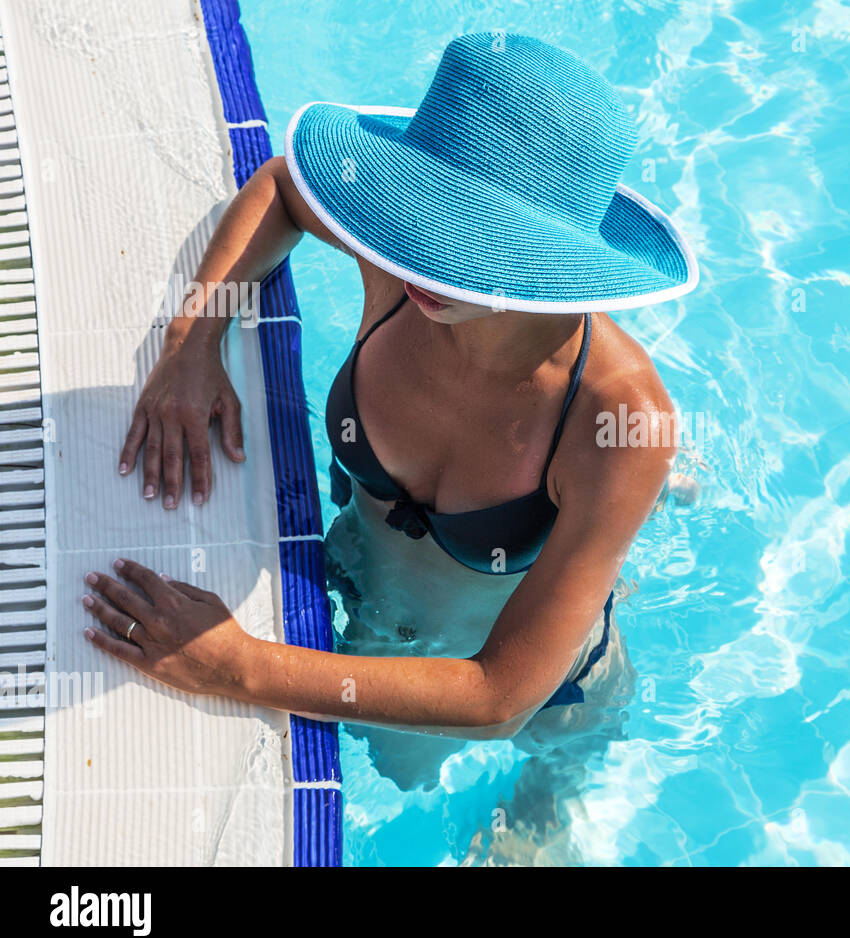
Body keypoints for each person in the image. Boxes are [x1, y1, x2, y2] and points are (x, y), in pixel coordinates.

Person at [81, 33, 697, 791]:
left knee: (437, 772)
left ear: (545, 260)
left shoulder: (616, 424)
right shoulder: (404, 259)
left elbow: (500, 697)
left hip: (531, 677)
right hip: (372, 583)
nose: (420, 257)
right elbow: (282, 190)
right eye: (420, 218)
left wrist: (241, 667)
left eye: (462, 246)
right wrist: (193, 339)